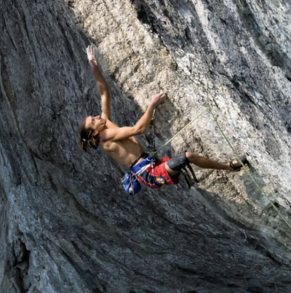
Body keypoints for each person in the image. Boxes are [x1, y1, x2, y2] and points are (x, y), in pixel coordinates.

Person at [78, 45, 244, 195]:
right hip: (149, 173)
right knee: (187, 156)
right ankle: (229, 167)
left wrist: (93, 64)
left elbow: (104, 92)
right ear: (94, 131)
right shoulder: (105, 137)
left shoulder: (105, 125)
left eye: (94, 116)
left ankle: (228, 166)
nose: (97, 116)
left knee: (186, 157)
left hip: (151, 164)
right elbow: (138, 130)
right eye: (94, 120)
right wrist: (152, 105)